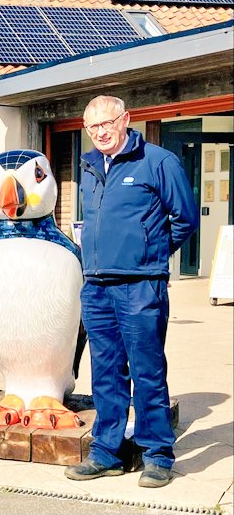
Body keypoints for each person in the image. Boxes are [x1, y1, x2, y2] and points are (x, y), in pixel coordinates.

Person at [65, 95, 198, 488]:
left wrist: (150, 255)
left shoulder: (158, 162)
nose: (100, 132)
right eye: (92, 127)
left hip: (141, 286)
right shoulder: (89, 166)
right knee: (105, 374)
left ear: (125, 119)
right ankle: (107, 453)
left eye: (107, 123)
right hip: (97, 287)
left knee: (147, 371)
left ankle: (158, 454)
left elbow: (185, 219)